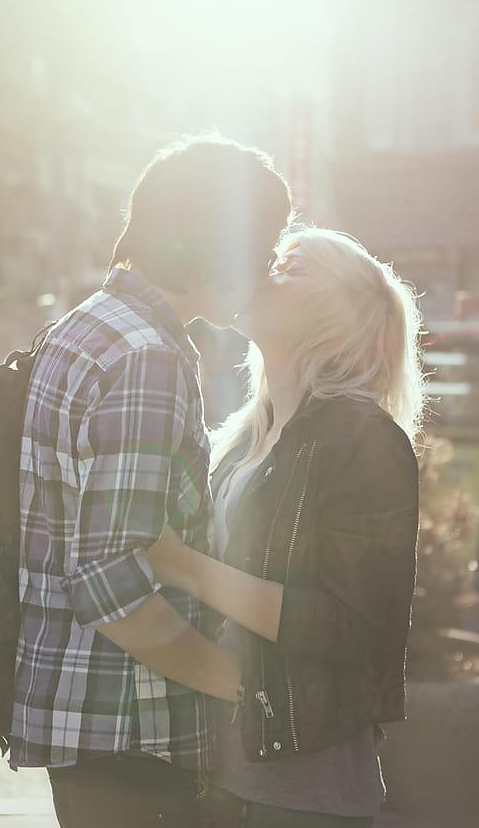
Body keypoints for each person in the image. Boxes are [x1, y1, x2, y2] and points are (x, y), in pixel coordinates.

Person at [11, 133, 295, 828]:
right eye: (263, 248)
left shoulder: (87, 325)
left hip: (89, 726)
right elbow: (111, 578)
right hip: (130, 733)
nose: (267, 269)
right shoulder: (149, 357)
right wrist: (242, 688)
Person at [148, 227, 425, 827]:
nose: (262, 268)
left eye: (290, 265)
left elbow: (355, 627)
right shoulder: (242, 440)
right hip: (215, 775)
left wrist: (187, 568)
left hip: (304, 793)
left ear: (344, 310)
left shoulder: (365, 439)